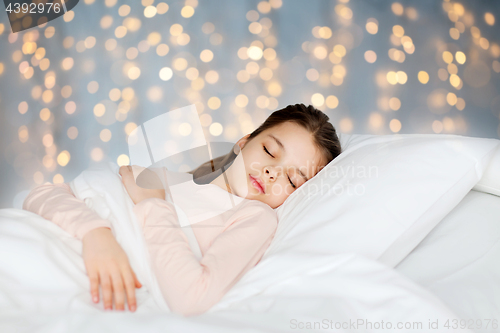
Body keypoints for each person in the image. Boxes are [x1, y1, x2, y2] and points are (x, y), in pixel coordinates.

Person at [22, 103, 342, 316]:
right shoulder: (168, 180)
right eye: (269, 151)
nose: (272, 172)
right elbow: (41, 196)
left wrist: (152, 203)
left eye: (292, 179)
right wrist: (96, 235)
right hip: (58, 237)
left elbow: (191, 299)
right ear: (243, 143)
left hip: (76, 280)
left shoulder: (255, 218)